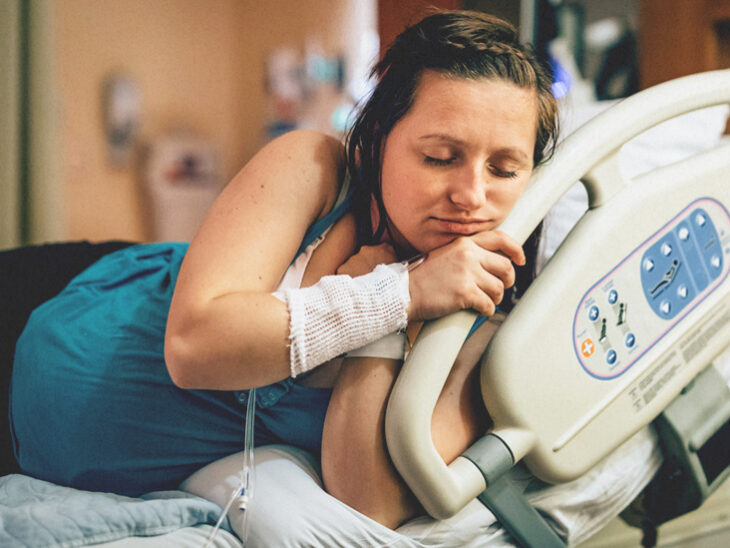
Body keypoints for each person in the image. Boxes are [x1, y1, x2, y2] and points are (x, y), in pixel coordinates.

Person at [1, 8, 557, 533]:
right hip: (66, 315)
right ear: (380, 139)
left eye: (506, 169)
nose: (471, 195)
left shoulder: (487, 336)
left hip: (82, 460)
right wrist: (398, 292)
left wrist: (389, 308)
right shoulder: (314, 169)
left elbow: (372, 503)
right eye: (438, 157)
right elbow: (195, 345)